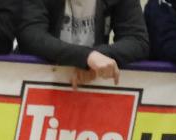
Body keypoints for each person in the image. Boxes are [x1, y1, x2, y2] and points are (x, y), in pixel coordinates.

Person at [9, 0, 151, 80]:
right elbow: (30, 37)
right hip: (36, 79)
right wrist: (85, 57)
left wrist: (94, 57)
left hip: (88, 85)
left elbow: (138, 41)